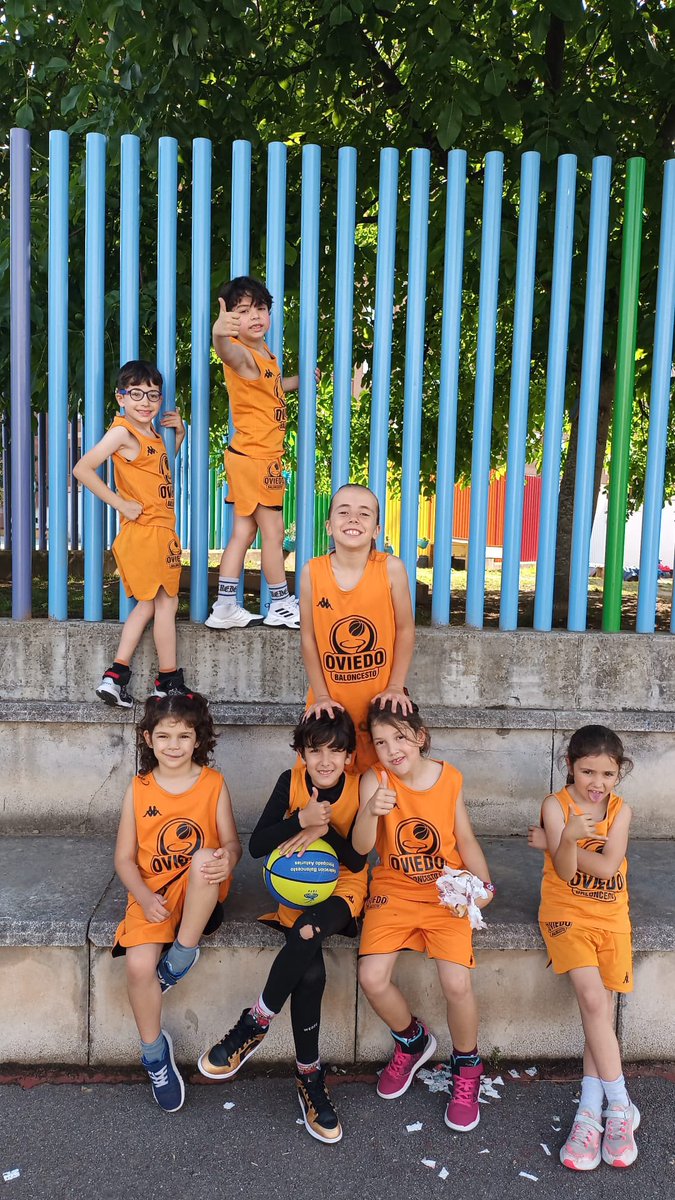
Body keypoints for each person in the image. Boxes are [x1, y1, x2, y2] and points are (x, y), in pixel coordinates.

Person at [198, 709, 368, 1145]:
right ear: (300, 753)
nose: (325, 760)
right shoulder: (288, 781)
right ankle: (309, 1078)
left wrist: (322, 828)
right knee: (308, 970)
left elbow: (356, 860)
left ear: (350, 756)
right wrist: (300, 820)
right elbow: (256, 846)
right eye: (315, 750)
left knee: (309, 934)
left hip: (343, 889)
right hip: (296, 890)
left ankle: (254, 1023)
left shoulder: (360, 786)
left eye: (335, 751)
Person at [353, 701, 494, 1132]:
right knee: (371, 978)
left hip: (445, 891)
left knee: (456, 982)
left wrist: (483, 887)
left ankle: (467, 1066)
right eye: (380, 742)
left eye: (399, 737)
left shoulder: (448, 778)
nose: (391, 749)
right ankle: (412, 1041)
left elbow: (464, 839)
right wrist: (369, 811)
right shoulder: (374, 781)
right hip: (393, 890)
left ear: (420, 735)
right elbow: (360, 848)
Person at [113, 693, 241, 1112]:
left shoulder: (213, 784)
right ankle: (154, 1053)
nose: (173, 745)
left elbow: (232, 845)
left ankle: (183, 954)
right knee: (137, 967)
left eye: (183, 736)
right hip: (154, 893)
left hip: (199, 893)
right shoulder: (139, 788)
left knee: (206, 857)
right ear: (148, 739)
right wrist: (145, 897)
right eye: (164, 736)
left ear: (197, 739)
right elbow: (124, 860)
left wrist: (229, 862)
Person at [527, 725, 638, 1170]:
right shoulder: (555, 806)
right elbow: (569, 874)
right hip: (565, 912)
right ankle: (621, 1107)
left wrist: (556, 847)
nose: (596, 782)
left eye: (607, 774)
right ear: (569, 765)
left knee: (601, 1014)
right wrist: (565, 840)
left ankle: (589, 1113)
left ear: (618, 774)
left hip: (611, 914)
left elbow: (611, 867)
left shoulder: (621, 811)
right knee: (593, 999)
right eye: (587, 770)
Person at [73, 359, 190, 707]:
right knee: (167, 604)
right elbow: (83, 468)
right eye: (136, 393)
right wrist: (120, 504)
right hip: (147, 531)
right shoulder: (123, 431)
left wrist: (178, 436)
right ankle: (168, 683)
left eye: (153, 395)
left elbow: (157, 472)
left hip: (158, 531)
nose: (145, 402)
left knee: (148, 605)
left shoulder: (151, 434)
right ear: (121, 397)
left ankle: (115, 677)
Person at [206, 275, 316, 630]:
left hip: (247, 457)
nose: (254, 316)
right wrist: (220, 333)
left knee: (244, 534)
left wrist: (298, 382)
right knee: (274, 533)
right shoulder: (243, 355)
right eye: (242, 311)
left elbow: (270, 389)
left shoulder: (265, 356)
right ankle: (281, 604)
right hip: (256, 459)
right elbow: (227, 351)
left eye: (260, 308)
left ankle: (225, 605)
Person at [300, 483, 416, 770]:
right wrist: (322, 695)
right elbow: (308, 638)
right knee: (324, 782)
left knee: (382, 785)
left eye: (364, 514)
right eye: (344, 512)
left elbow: (405, 630)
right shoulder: (312, 572)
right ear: (329, 526)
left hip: (380, 702)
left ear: (377, 530)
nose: (353, 519)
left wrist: (395, 685)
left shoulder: (391, 569)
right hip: (330, 703)